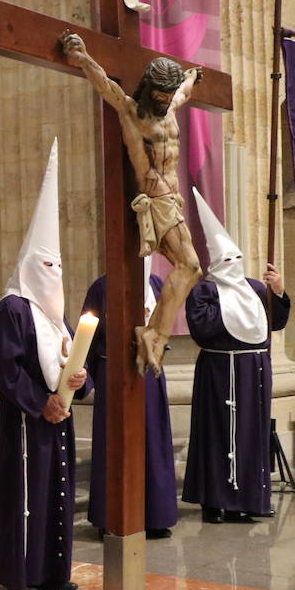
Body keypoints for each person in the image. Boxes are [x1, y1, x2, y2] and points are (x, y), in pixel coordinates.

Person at [61, 31, 205, 376]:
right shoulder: (131, 112)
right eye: (159, 94)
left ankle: (153, 332)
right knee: (192, 267)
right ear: (147, 88)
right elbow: (104, 86)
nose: (165, 100)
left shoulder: (170, 105)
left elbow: (184, 90)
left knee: (190, 268)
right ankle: (155, 334)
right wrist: (82, 57)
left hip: (173, 200)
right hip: (156, 202)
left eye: (168, 95)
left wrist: (191, 77)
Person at [0, 140, 90, 590]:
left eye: (59, 266)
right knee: (27, 494)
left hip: (56, 417)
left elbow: (69, 357)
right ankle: (20, 574)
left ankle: (52, 569)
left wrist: (79, 383)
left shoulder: (55, 317)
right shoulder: (11, 309)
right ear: (29, 268)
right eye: (46, 265)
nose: (54, 273)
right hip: (25, 421)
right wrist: (39, 401)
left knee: (57, 494)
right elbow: (2, 369)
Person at [183, 190, 290, 524]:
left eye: (236, 259)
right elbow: (203, 329)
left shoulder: (257, 289)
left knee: (249, 435)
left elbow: (276, 323)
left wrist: (279, 293)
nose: (233, 266)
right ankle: (214, 501)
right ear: (215, 263)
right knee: (217, 434)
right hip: (219, 371)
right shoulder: (204, 291)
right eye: (226, 261)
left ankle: (247, 500)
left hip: (252, 371)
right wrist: (233, 314)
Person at [82, 259, 179, 539]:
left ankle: (156, 515)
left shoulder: (157, 285)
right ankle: (109, 515)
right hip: (113, 374)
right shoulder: (101, 288)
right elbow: (88, 333)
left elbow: (164, 323)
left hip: (147, 376)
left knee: (152, 440)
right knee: (115, 443)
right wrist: (86, 376)